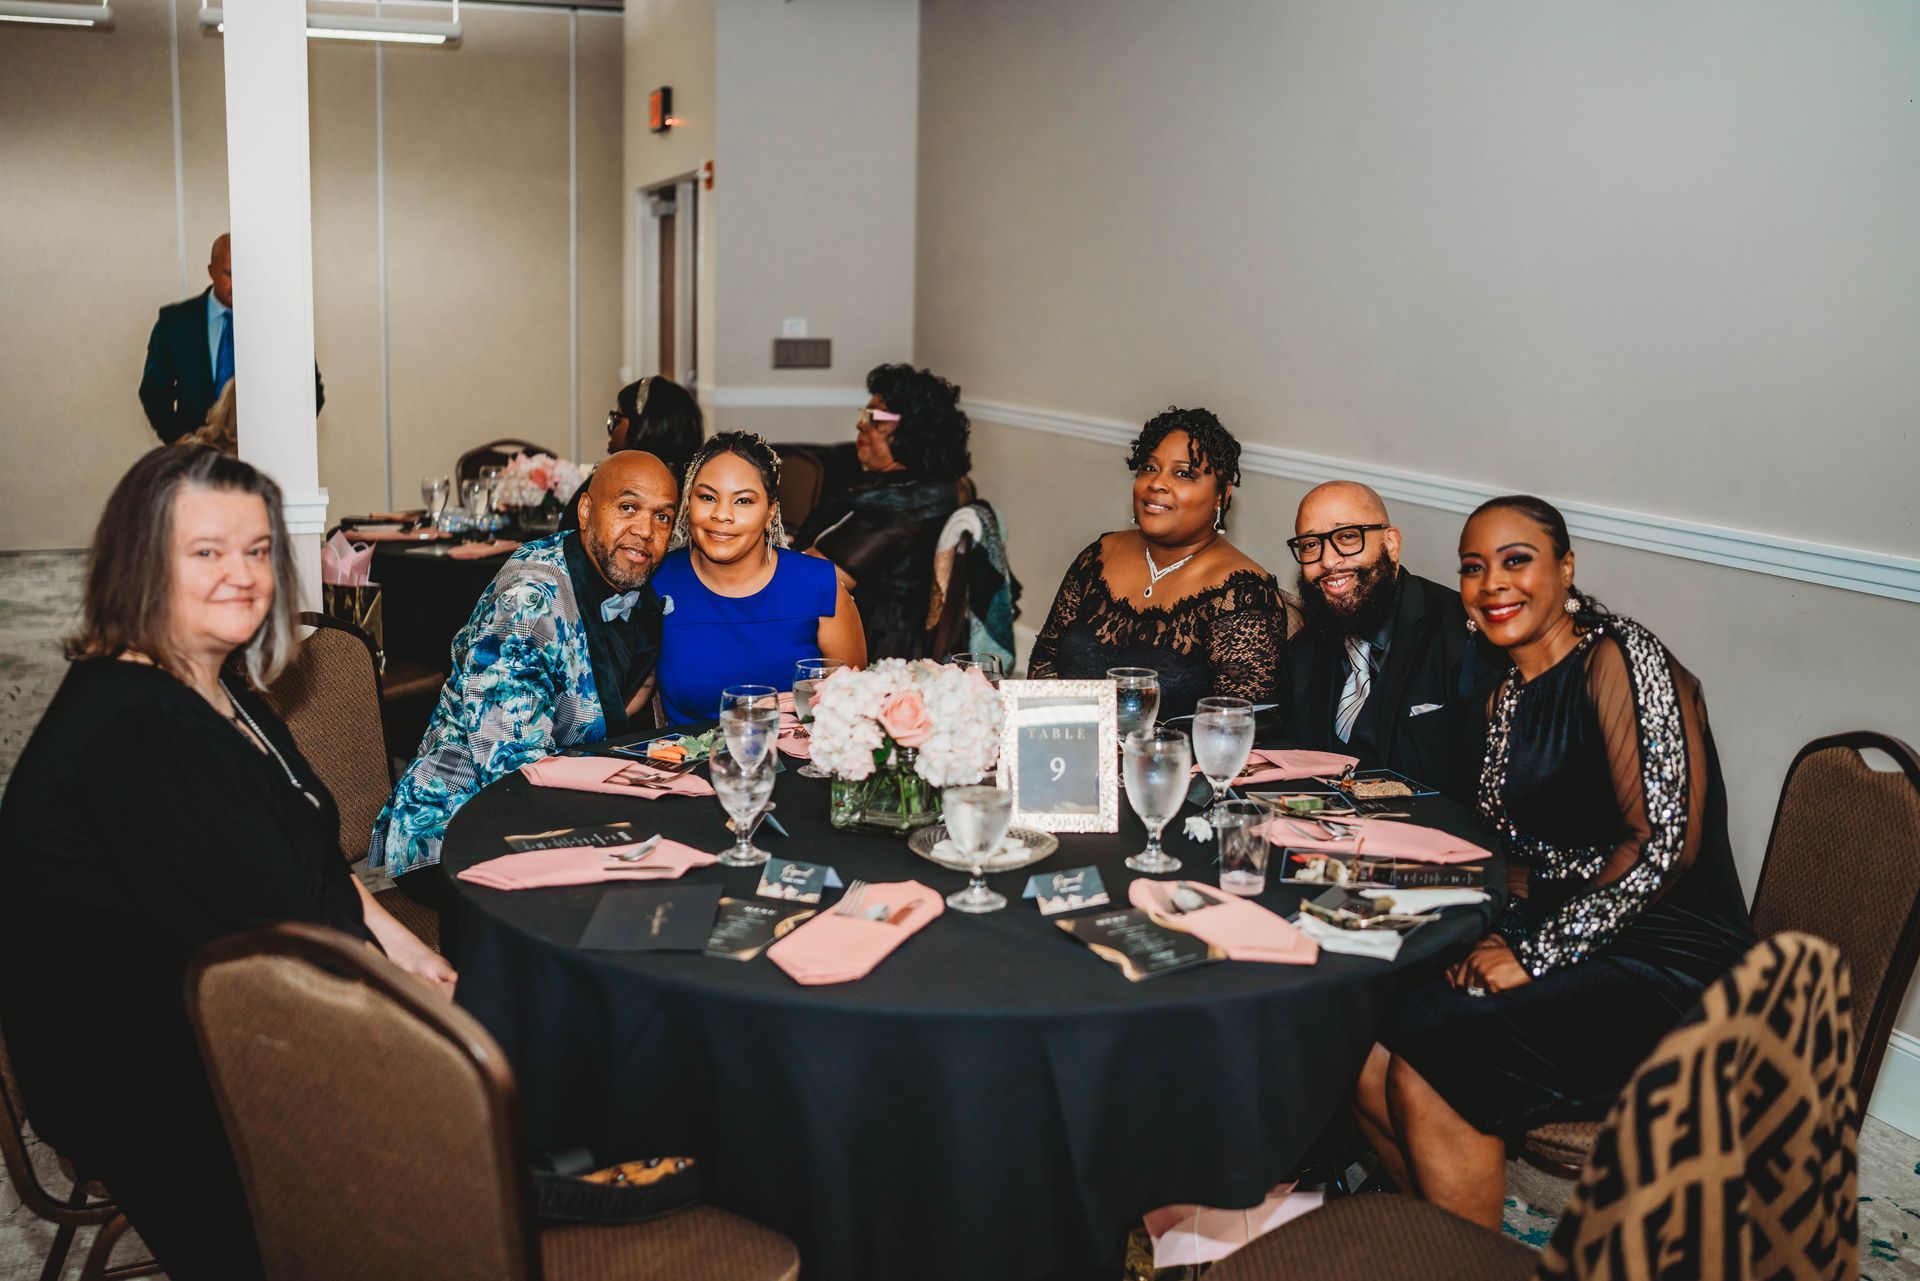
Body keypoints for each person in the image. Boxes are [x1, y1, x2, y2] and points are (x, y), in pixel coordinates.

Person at [0, 446, 452, 1281]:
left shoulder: (216, 683)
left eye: (255, 551)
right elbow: (273, 951)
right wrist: (408, 1031)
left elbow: (307, 847)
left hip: (223, 1005)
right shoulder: (142, 733)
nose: (241, 574)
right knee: (469, 1144)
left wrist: (402, 942)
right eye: (206, 552)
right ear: (141, 564)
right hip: (149, 1074)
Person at [1353, 494, 1756, 1229]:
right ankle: (1440, 1243)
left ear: (1565, 568)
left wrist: (1536, 951)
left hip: (1676, 954)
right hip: (1570, 926)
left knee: (1435, 1068)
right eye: (1473, 568)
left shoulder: (1623, 658)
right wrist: (1417, 892)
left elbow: (1666, 843)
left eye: (1517, 560)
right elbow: (1533, 858)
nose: (1492, 582)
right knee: (1367, 1039)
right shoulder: (1504, 693)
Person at [371, 451, 679, 892]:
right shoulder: (528, 600)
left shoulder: (624, 584)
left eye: (663, 517)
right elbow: (510, 767)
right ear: (587, 510)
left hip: (552, 804)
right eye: (627, 508)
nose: (645, 531)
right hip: (455, 830)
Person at [1027, 407, 1293, 719]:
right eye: (1149, 468)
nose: (1157, 483)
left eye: (1183, 473)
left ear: (1221, 494)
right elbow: (1044, 659)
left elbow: (1241, 730)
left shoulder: (1243, 595)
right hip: (1068, 755)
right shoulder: (1098, 556)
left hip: (1175, 766)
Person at [1280, 481, 1495, 801]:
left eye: (1347, 537)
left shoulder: (1467, 636)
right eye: (1311, 545)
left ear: (1391, 544)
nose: (1327, 561)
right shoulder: (1304, 649)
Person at [651, 431, 866, 724]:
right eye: (708, 497)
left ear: (770, 512)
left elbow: (857, 709)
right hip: (684, 764)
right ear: (689, 503)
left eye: (743, 501)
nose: (722, 514)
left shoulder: (819, 587)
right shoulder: (657, 582)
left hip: (797, 766)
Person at [792, 363, 970, 660]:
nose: (861, 425)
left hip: (876, 643)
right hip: (876, 628)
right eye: (864, 416)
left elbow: (819, 580)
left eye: (874, 418)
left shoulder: (906, 504)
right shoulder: (921, 486)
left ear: (913, 428)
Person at [139, 233, 324, 444]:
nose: (238, 284)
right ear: (211, 271)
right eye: (229, 274)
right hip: (196, 461)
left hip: (262, 458)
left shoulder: (280, 324)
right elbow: (153, 392)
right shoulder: (176, 323)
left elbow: (312, 393)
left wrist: (280, 440)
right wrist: (180, 441)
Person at [561, 375, 703, 532]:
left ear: (642, 427)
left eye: (617, 418)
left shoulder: (611, 481)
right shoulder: (696, 491)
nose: (612, 428)